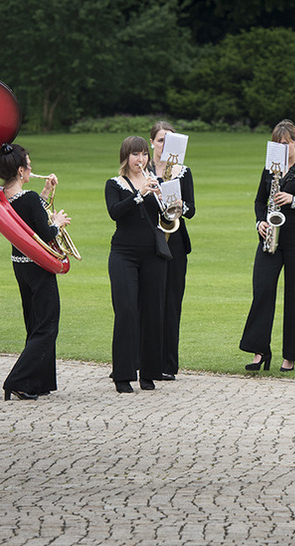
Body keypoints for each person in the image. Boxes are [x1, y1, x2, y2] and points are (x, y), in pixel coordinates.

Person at [239, 119, 295, 373]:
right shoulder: (270, 169)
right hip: (270, 237)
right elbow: (259, 201)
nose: (280, 147)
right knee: (263, 290)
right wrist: (259, 223)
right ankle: (259, 350)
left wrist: (294, 200)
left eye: (285, 143)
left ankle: (291, 355)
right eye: (276, 143)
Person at [0, 143, 70, 401]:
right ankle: (17, 380)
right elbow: (46, 232)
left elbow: (30, 216)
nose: (31, 170)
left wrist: (46, 192)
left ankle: (38, 381)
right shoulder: (27, 199)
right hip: (38, 267)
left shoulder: (1, 197)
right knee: (47, 326)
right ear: (20, 171)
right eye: (28, 166)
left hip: (20, 264)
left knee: (34, 323)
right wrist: (57, 224)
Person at [106, 136, 170, 393]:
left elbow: (166, 216)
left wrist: (166, 199)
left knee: (153, 312)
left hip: (152, 253)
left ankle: (149, 373)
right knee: (126, 311)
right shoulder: (115, 184)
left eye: (143, 154)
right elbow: (115, 212)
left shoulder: (155, 181)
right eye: (135, 155)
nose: (140, 160)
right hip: (124, 253)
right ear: (126, 157)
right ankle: (122, 375)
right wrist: (139, 195)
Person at [148, 121, 196, 380]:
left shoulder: (183, 171)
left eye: (170, 140)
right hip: (148, 239)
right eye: (161, 140)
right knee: (147, 302)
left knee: (171, 302)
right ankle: (145, 360)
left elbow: (192, 208)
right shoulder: (141, 170)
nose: (165, 145)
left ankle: (168, 364)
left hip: (175, 239)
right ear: (152, 143)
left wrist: (180, 206)